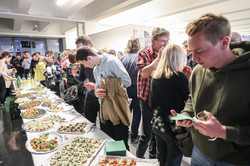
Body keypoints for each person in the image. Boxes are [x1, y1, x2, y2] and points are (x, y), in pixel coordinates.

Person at [171, 13, 250, 165]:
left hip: (236, 159)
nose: (193, 58)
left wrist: (224, 132)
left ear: (224, 42)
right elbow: (192, 99)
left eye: (199, 51)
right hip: (199, 151)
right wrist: (186, 114)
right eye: (190, 51)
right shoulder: (199, 71)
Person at [76, 46, 131, 150]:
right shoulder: (96, 68)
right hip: (105, 109)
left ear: (89, 58)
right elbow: (98, 87)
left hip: (118, 108)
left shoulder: (112, 61)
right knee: (108, 141)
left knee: (121, 143)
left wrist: (107, 86)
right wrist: (97, 92)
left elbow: (127, 81)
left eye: (84, 64)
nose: (85, 66)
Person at [151, 44, 189, 166]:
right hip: (173, 124)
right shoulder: (179, 77)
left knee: (161, 157)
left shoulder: (155, 76)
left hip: (158, 123)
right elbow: (189, 99)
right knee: (174, 156)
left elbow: (153, 102)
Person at [136, 27, 170, 159]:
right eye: (162, 41)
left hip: (161, 100)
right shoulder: (143, 53)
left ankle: (153, 159)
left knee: (158, 134)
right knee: (147, 134)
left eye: (167, 41)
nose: (165, 44)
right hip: (146, 99)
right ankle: (139, 158)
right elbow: (144, 73)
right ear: (153, 41)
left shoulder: (168, 53)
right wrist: (159, 58)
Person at [74, 35, 102, 124]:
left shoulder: (102, 57)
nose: (79, 51)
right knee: (89, 122)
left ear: (89, 46)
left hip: (102, 95)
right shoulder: (83, 59)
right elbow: (82, 79)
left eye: (80, 48)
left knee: (104, 125)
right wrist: (75, 74)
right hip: (90, 95)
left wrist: (96, 85)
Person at [120, 37, 141, 143]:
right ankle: (133, 136)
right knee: (137, 114)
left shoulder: (123, 58)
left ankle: (124, 133)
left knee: (125, 112)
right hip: (137, 89)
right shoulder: (140, 57)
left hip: (125, 88)